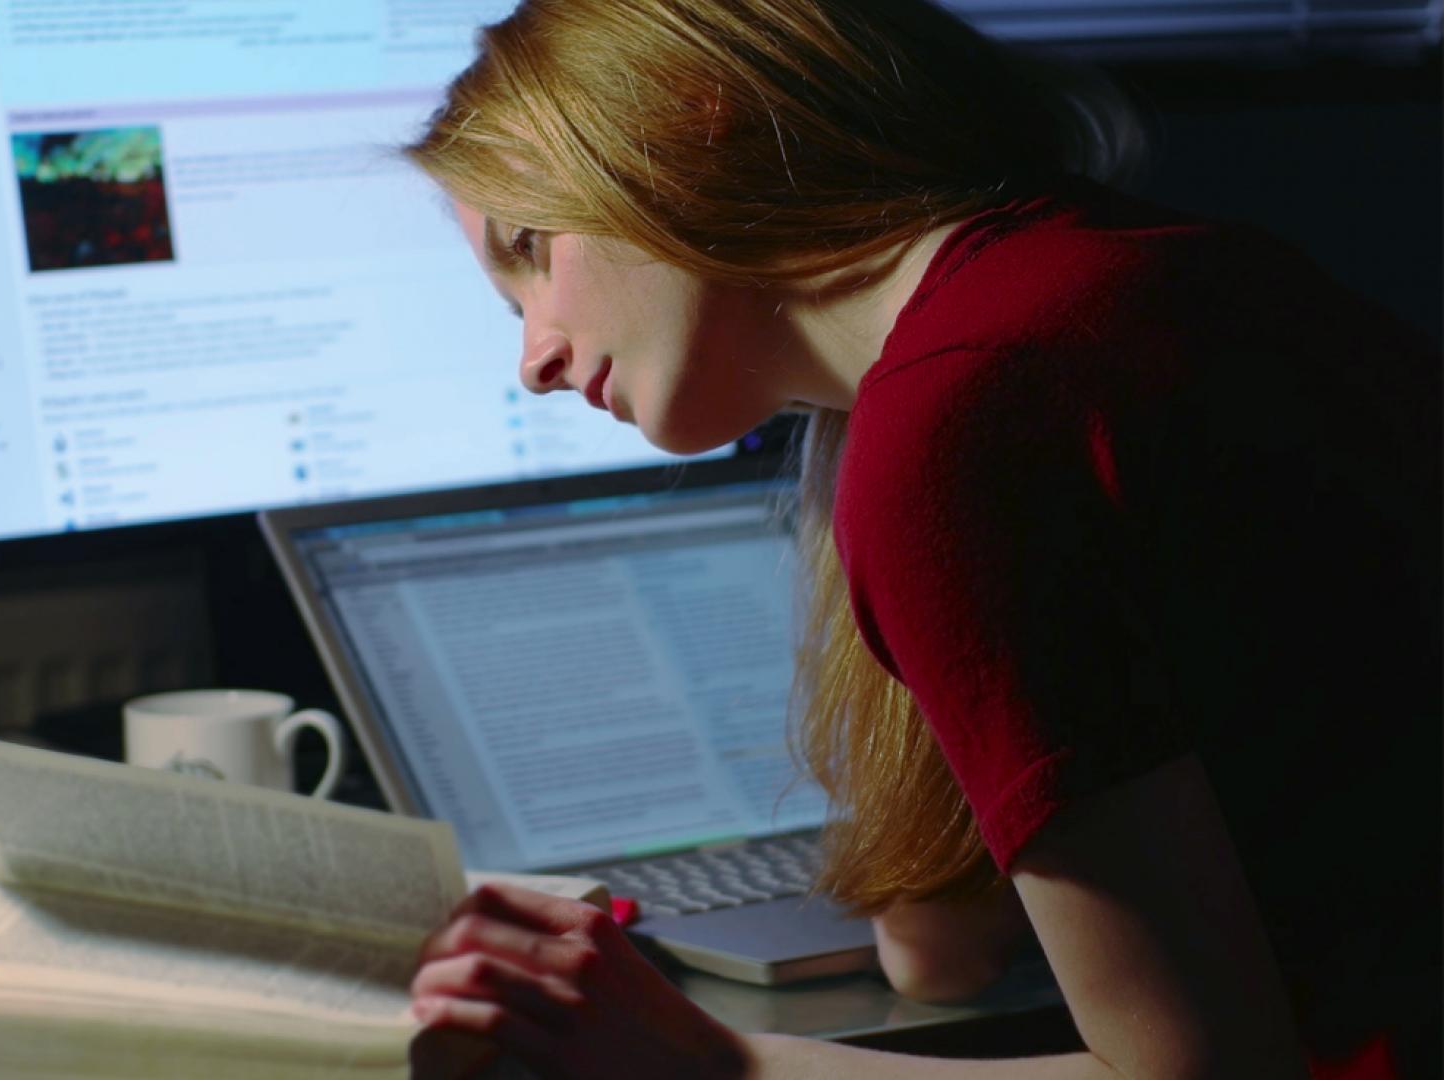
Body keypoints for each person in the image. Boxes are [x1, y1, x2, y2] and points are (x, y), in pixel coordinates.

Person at [399, 1, 1442, 1077]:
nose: (532, 358)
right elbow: (934, 955)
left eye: (529, 249)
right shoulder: (1120, 274)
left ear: (680, 124)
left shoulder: (968, 420)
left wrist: (700, 1061)